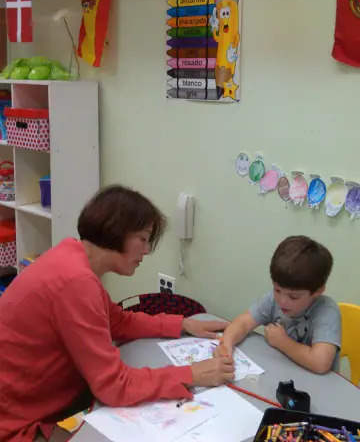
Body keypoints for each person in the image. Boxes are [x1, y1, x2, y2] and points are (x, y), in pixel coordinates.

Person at [0, 185, 234, 442]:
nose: (146, 251)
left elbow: (117, 321)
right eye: (143, 239)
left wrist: (183, 324)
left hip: (39, 398)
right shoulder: (75, 281)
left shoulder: (71, 255)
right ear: (117, 232)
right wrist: (192, 374)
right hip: (18, 422)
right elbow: (112, 386)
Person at [215, 236, 341, 374]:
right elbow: (244, 322)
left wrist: (282, 342)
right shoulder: (273, 299)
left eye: (293, 296)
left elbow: (320, 363)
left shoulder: (327, 311)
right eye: (277, 289)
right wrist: (226, 344)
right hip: (281, 372)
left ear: (317, 291)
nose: (282, 301)